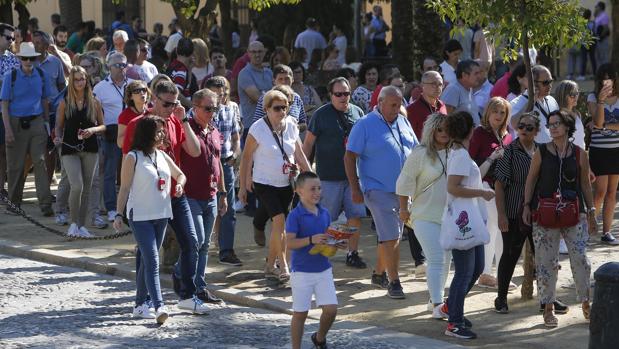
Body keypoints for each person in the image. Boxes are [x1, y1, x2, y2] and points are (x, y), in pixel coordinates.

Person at [122, 80, 208, 314]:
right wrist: (123, 207)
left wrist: (183, 119)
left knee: (192, 241)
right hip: (146, 198)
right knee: (147, 252)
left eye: (175, 103)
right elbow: (128, 161)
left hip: (174, 194)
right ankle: (144, 300)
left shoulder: (175, 121)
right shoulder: (138, 125)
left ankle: (187, 295)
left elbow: (195, 150)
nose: (171, 108)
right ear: (154, 99)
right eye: (166, 103)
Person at [522, 110, 596, 327]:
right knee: (545, 262)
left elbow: (584, 184)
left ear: (567, 127)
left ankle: (585, 302)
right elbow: (531, 179)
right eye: (550, 124)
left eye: (557, 124)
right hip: (545, 212)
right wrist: (527, 205)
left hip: (574, 212)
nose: (552, 127)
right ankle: (547, 307)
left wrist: (591, 212)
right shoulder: (541, 152)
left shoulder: (580, 153)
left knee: (580, 259)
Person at [345, 86, 419, 298]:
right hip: (377, 189)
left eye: (399, 105)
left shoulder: (403, 121)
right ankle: (394, 281)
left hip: (404, 190)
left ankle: (379, 273)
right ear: (380, 104)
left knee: (390, 233)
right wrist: (355, 187)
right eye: (393, 105)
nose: (397, 109)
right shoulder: (364, 124)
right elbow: (349, 156)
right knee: (393, 234)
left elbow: (416, 149)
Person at [114, 115, 186, 324]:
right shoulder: (132, 157)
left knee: (147, 259)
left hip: (161, 214)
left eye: (163, 131)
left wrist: (179, 184)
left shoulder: (162, 156)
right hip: (140, 216)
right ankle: (159, 305)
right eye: (158, 131)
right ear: (147, 134)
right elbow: (125, 188)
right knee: (153, 259)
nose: (163, 134)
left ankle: (139, 304)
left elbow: (180, 174)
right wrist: (119, 214)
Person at [238, 90, 311, 282]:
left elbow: (299, 153)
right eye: (277, 108)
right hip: (264, 182)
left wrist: (310, 175)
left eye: (285, 107)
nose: (282, 112)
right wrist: (243, 185)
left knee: (281, 226)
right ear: (267, 109)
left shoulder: (291, 126)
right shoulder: (258, 128)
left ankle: (270, 265)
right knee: (279, 223)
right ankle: (283, 264)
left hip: (286, 183)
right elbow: (246, 158)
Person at [303, 77, 367, 269]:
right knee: (325, 218)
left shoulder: (358, 113)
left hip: (353, 177)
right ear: (330, 95)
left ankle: (352, 253)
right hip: (328, 177)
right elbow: (308, 144)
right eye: (338, 94)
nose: (343, 97)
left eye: (346, 93)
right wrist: (305, 173)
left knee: (355, 216)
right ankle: (322, 254)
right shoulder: (320, 115)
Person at [443, 111, 494, 339]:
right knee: (465, 272)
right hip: (464, 221)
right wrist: (482, 193)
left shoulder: (459, 152)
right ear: (470, 131)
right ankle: (454, 321)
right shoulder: (461, 155)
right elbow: (453, 187)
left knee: (475, 268)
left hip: (469, 219)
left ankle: (452, 306)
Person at [396, 113, 451, 318]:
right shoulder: (420, 153)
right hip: (423, 216)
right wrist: (403, 209)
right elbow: (404, 183)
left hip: (448, 216)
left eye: (447, 129)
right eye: (439, 129)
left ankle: (434, 299)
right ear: (431, 131)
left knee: (446, 260)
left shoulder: (456, 152)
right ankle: (438, 304)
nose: (444, 133)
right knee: (436, 258)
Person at [286, 171, 344, 349]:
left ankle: (319, 338)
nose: (317, 192)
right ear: (299, 191)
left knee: (331, 310)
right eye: (312, 189)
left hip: (323, 269)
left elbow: (325, 244)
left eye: (319, 188)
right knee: (300, 314)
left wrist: (336, 244)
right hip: (301, 272)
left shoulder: (325, 213)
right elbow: (289, 243)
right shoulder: (295, 215)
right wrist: (311, 239)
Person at [180, 88, 227, 302]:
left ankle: (199, 286)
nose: (212, 112)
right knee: (197, 240)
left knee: (206, 244)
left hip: (211, 195)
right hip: (190, 194)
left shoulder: (215, 131)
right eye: (208, 108)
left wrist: (223, 193)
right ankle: (182, 274)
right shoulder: (187, 129)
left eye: (214, 108)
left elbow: (218, 164)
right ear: (195, 107)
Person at [494, 112, 539, 313]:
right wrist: (501, 215)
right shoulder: (509, 151)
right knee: (510, 254)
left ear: (537, 131)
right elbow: (499, 185)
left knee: (544, 256)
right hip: (513, 211)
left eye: (529, 127)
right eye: (521, 126)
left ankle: (548, 300)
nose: (524, 130)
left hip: (538, 212)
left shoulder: (541, 151)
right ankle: (501, 298)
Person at [1, 42, 54, 216]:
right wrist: (8, 129)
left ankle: (45, 204)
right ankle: (14, 204)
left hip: (37, 122)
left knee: (40, 162)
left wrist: (47, 123)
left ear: (35, 58)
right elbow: (4, 104)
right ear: (20, 59)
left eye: (31, 58)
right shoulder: (11, 76)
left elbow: (45, 100)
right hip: (16, 123)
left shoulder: (41, 74)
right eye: (25, 58)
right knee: (15, 166)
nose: (28, 61)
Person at [53, 65, 105, 237]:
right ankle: (73, 224)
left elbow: (103, 125)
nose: (80, 82)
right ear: (71, 82)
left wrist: (93, 131)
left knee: (88, 188)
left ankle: (82, 226)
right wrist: (57, 137)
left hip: (90, 148)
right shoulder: (65, 102)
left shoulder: (94, 101)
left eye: (82, 78)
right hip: (69, 148)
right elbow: (58, 126)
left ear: (86, 80)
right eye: (76, 79)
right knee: (77, 185)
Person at [468, 97, 513, 289]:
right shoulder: (480, 133)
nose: (498, 115)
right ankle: (485, 274)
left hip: (505, 188)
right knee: (493, 228)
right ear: (488, 112)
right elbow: (469, 165)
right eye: (495, 111)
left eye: (502, 112)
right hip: (485, 187)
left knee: (503, 232)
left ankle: (501, 275)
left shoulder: (508, 135)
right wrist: (492, 157)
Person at [204, 76, 242, 265]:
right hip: (204, 164)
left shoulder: (230, 110)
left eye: (223, 93)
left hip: (226, 164)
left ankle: (226, 251)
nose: (221, 97)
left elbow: (235, 136)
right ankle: (200, 247)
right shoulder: (198, 112)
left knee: (229, 209)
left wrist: (236, 152)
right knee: (204, 206)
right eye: (216, 94)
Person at [93, 52, 132, 222]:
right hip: (111, 134)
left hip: (132, 134)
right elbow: (94, 113)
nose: (122, 68)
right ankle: (110, 208)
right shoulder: (100, 87)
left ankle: (129, 207)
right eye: (118, 65)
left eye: (124, 65)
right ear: (109, 66)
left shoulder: (133, 85)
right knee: (109, 172)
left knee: (131, 172)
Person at [587, 64, 619, 245]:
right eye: (603, 78)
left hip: (616, 150)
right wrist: (600, 101)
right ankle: (588, 228)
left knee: (612, 193)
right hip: (599, 150)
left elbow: (601, 126)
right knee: (599, 193)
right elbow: (597, 122)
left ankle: (606, 232)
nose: (607, 81)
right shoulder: (593, 97)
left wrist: (606, 126)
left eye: (610, 77)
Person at [510, 65, 559, 143]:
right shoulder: (517, 103)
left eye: (551, 81)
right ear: (533, 84)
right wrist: (531, 102)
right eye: (545, 83)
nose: (550, 85)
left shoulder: (552, 100)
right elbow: (515, 125)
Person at [252, 64, 307, 131]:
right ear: (274, 81)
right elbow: (256, 124)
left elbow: (303, 123)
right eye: (280, 79)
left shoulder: (296, 98)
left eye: (287, 79)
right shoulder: (266, 98)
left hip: (292, 139)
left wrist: (293, 127)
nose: (284, 82)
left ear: (292, 80)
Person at [0, 23, 21, 197]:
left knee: (4, 152)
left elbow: (17, 85)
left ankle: (1, 189)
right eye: (8, 37)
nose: (11, 41)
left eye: (13, 38)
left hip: (6, 113)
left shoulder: (13, 59)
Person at [238, 41, 273, 141]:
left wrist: (263, 94)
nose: (257, 55)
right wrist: (269, 94)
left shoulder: (269, 72)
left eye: (260, 51)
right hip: (252, 126)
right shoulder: (244, 73)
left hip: (270, 125)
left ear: (264, 52)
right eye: (253, 52)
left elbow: (271, 97)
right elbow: (258, 98)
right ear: (248, 53)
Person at [406, 71, 447, 139]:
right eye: (433, 84)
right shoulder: (411, 110)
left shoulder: (442, 106)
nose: (437, 87)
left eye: (440, 84)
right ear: (422, 85)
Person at [441, 60, 483, 125]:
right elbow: (444, 118)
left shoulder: (469, 88)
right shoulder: (453, 89)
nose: (479, 76)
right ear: (464, 75)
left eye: (479, 73)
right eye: (476, 73)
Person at [166, 38, 199, 109]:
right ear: (192, 53)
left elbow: (186, 86)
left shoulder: (173, 66)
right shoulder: (181, 70)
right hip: (180, 109)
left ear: (177, 51)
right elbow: (177, 93)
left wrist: (189, 70)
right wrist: (191, 105)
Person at [117, 80, 150, 149]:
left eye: (144, 90)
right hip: (133, 154)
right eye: (137, 91)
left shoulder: (152, 112)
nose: (142, 93)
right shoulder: (125, 115)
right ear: (130, 96)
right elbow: (120, 143)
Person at [579, 9, 596, 80]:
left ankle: (582, 75)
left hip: (584, 43)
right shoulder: (592, 23)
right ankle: (594, 74)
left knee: (584, 59)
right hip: (591, 42)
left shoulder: (581, 23)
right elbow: (594, 32)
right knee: (592, 59)